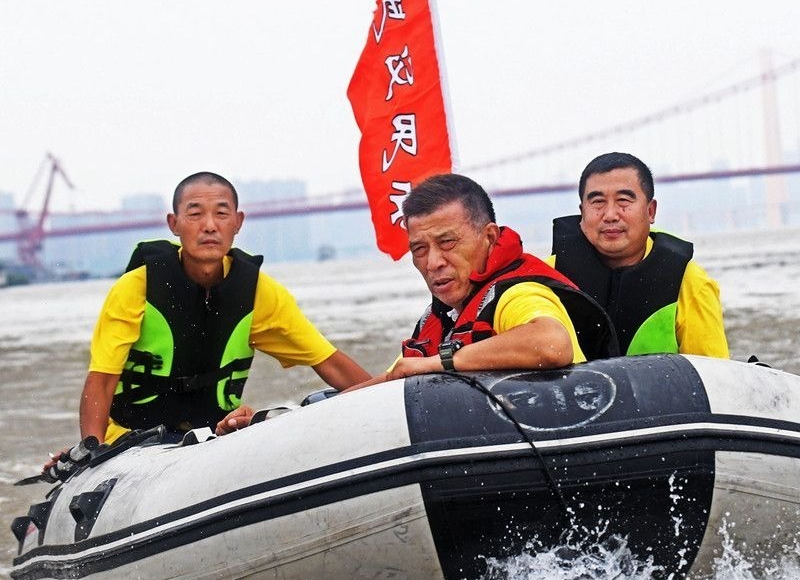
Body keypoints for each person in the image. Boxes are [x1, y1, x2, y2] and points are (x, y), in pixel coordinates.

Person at [43, 171, 370, 469]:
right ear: (174, 224)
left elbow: (328, 362)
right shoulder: (135, 288)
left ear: (238, 222)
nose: (210, 226)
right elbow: (101, 381)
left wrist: (383, 400)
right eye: (196, 214)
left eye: (222, 214)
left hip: (216, 437)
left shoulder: (259, 292)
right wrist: (91, 452)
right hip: (132, 441)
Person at [376, 172, 617, 383]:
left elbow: (552, 344)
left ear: (490, 237)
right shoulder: (436, 317)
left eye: (447, 242)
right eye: (419, 249)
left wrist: (440, 362)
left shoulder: (518, 294)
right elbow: (395, 376)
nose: (432, 263)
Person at [550, 152, 729, 357]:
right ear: (582, 213)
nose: (610, 215)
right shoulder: (548, 278)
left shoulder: (690, 282)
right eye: (598, 202)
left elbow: (712, 371)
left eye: (623, 200)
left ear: (650, 211)